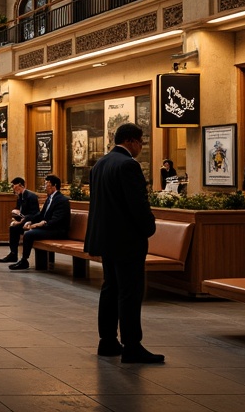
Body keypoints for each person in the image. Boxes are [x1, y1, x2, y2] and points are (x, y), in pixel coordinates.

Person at [85, 123, 162, 364]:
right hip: (126, 239)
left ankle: (107, 341)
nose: (141, 147)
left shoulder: (100, 164)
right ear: (131, 141)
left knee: (110, 289)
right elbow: (137, 204)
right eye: (141, 142)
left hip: (106, 238)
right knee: (130, 292)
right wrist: (149, 227)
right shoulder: (129, 165)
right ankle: (132, 346)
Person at [6, 175, 71, 270]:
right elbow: (41, 214)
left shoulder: (62, 200)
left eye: (47, 184)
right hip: (49, 228)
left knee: (29, 234)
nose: (45, 187)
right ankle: (14, 254)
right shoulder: (49, 198)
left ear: (54, 185)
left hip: (58, 230)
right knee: (20, 229)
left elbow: (57, 220)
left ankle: (24, 260)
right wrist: (30, 221)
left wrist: (39, 224)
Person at [0, 177, 40, 264]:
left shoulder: (31, 196)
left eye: (15, 186)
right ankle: (13, 253)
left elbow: (35, 213)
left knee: (15, 228)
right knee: (13, 228)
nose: (14, 189)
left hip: (30, 221)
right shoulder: (20, 196)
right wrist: (15, 214)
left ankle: (20, 257)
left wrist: (22, 221)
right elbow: (18, 208)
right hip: (22, 220)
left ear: (20, 185)